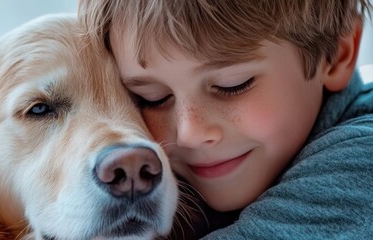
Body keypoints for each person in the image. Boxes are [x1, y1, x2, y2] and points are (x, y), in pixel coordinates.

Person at [78, 0, 373, 238]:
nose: (189, 133)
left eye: (232, 85)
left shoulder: (363, 158)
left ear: (336, 54)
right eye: (152, 99)